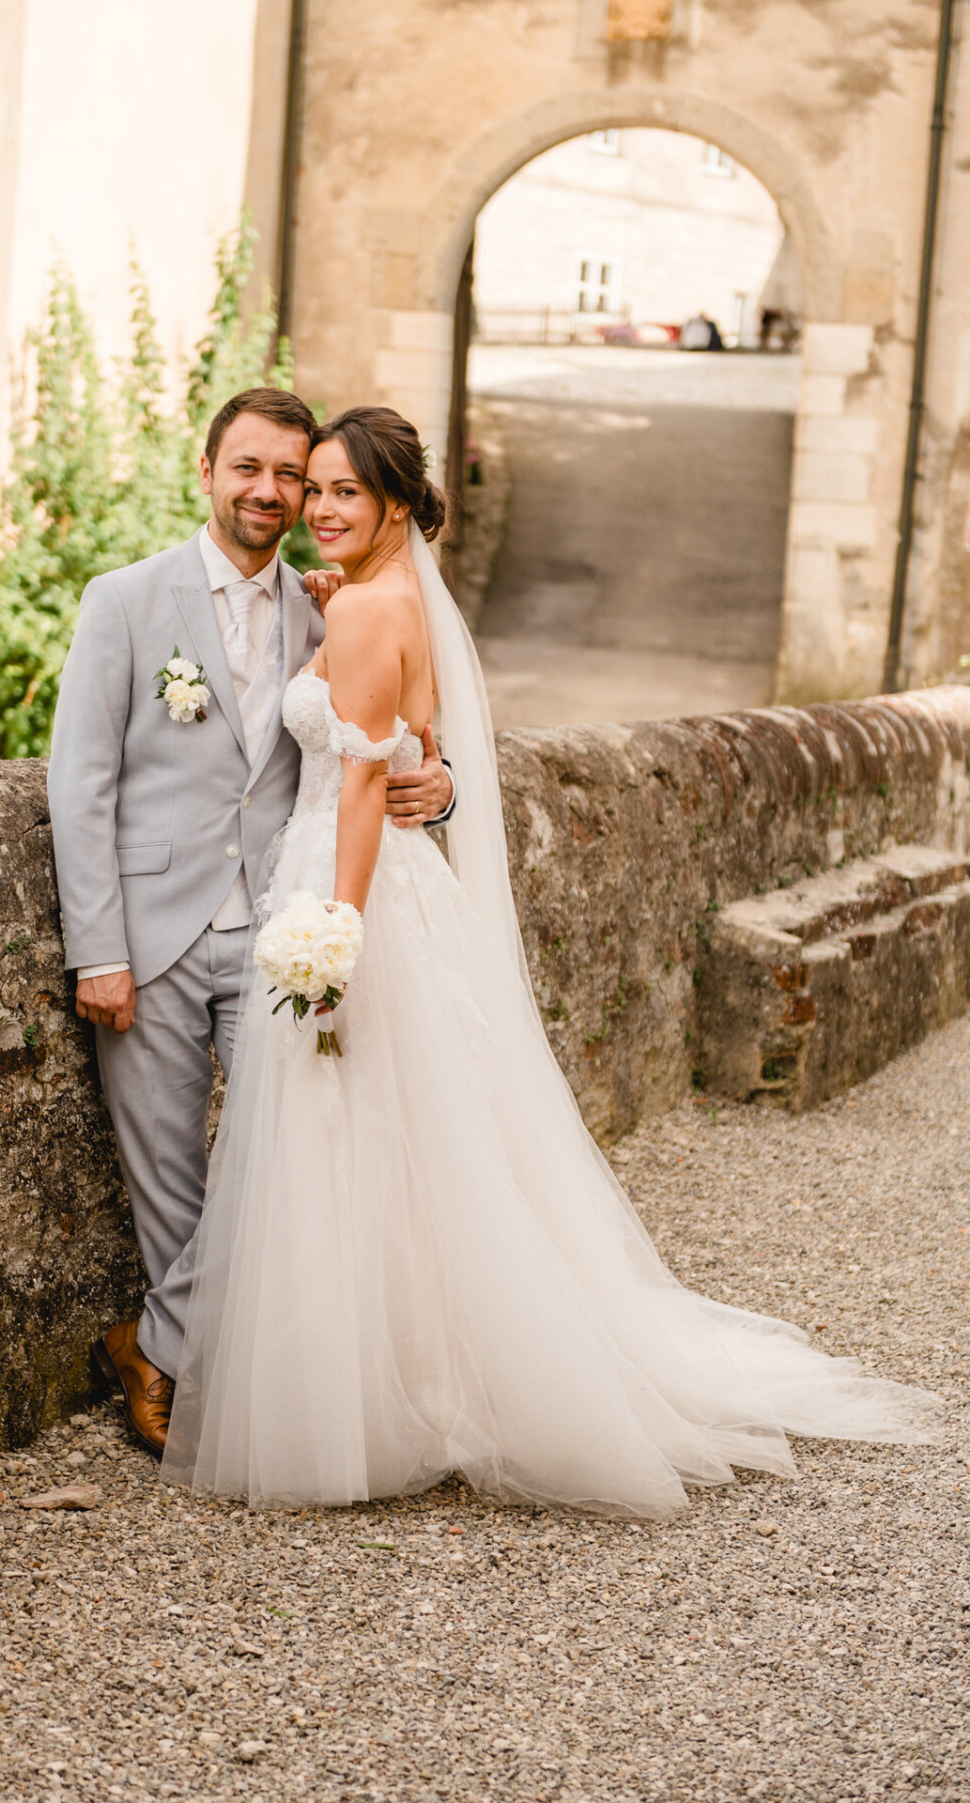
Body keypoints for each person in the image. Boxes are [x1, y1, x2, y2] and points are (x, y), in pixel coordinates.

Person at [162, 405, 938, 1514]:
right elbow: (411, 750)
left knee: (360, 1132)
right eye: (314, 490)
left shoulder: (370, 613)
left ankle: (385, 1397)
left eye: (344, 493)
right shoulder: (391, 600)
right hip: (386, 885)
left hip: (353, 889)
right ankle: (410, 1371)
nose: (320, 509)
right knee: (412, 1137)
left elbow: (373, 783)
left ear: (394, 504)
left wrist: (332, 931)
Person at [47, 389, 454, 1455]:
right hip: (149, 933)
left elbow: (395, 732)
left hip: (281, 920)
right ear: (209, 470)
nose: (275, 492)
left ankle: (156, 1346)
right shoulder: (124, 601)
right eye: (256, 469)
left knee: (275, 1163)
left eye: (297, 477)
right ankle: (191, 1366)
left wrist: (437, 784)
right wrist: (98, 949)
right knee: (171, 1178)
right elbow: (79, 784)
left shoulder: (335, 601)